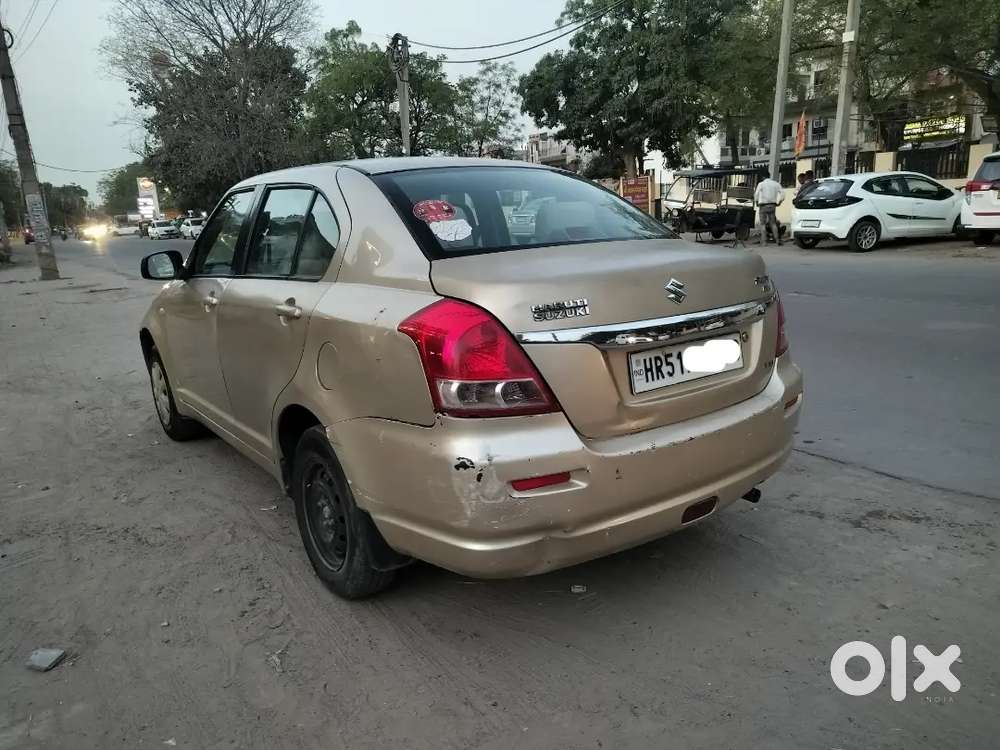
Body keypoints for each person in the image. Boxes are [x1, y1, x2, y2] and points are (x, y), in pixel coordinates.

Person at [754, 175, 785, 246]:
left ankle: (764, 242)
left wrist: (756, 202)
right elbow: (783, 193)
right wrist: (779, 202)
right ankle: (777, 240)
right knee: (773, 223)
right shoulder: (776, 184)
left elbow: (756, 194)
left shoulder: (761, 184)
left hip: (763, 206)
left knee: (763, 224)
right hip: (772, 205)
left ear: (763, 177)